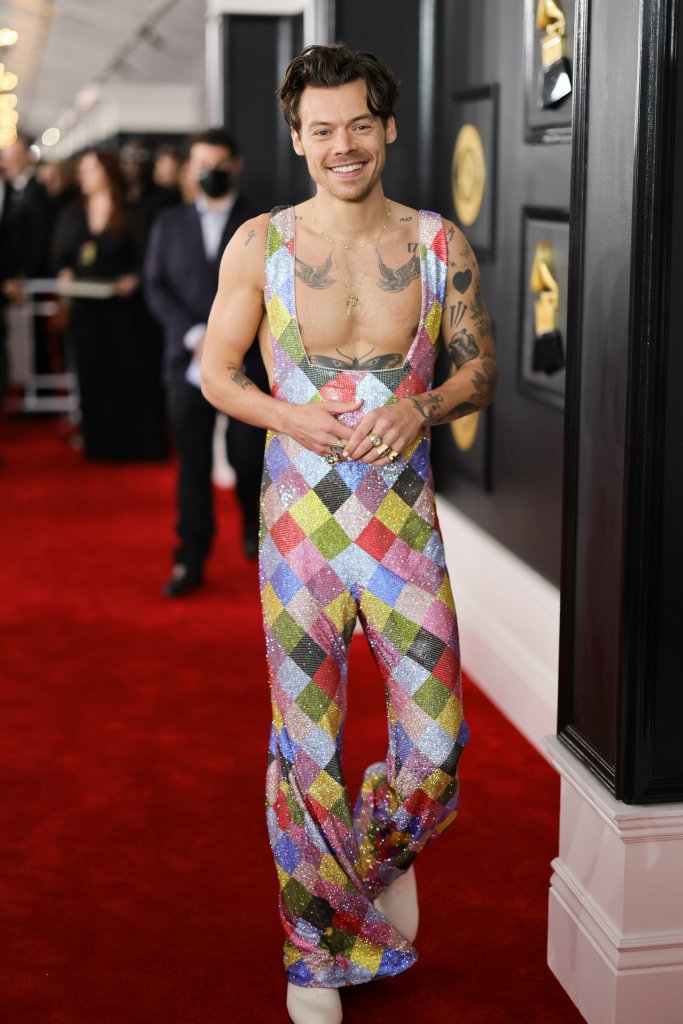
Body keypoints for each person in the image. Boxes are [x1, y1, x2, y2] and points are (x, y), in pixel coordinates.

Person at [201, 44, 498, 1024]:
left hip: (402, 530)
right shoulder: (261, 243)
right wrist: (285, 417)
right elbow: (217, 371)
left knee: (437, 746)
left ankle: (359, 873)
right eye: (322, 130)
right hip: (296, 535)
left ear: (388, 127)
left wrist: (424, 408)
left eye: (358, 125)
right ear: (296, 138)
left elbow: (479, 367)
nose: (342, 145)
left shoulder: (433, 242)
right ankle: (314, 952)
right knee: (305, 748)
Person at [145, 128, 267, 597]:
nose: (209, 173)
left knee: (246, 456)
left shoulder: (261, 221)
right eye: (201, 165)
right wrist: (195, 335)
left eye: (217, 164)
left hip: (247, 367)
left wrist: (228, 342)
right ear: (189, 169)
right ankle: (190, 556)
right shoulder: (169, 223)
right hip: (185, 363)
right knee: (192, 464)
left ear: (234, 165)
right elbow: (156, 285)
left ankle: (255, 533)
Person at [52, 149, 167, 461]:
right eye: (83, 170)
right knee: (92, 372)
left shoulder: (131, 212)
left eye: (91, 169)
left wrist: (134, 279)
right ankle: (99, 443)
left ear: (107, 171)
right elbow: (62, 255)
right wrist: (64, 272)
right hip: (87, 309)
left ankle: (133, 444)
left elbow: (148, 259)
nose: (84, 176)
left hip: (125, 311)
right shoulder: (73, 212)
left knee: (129, 373)